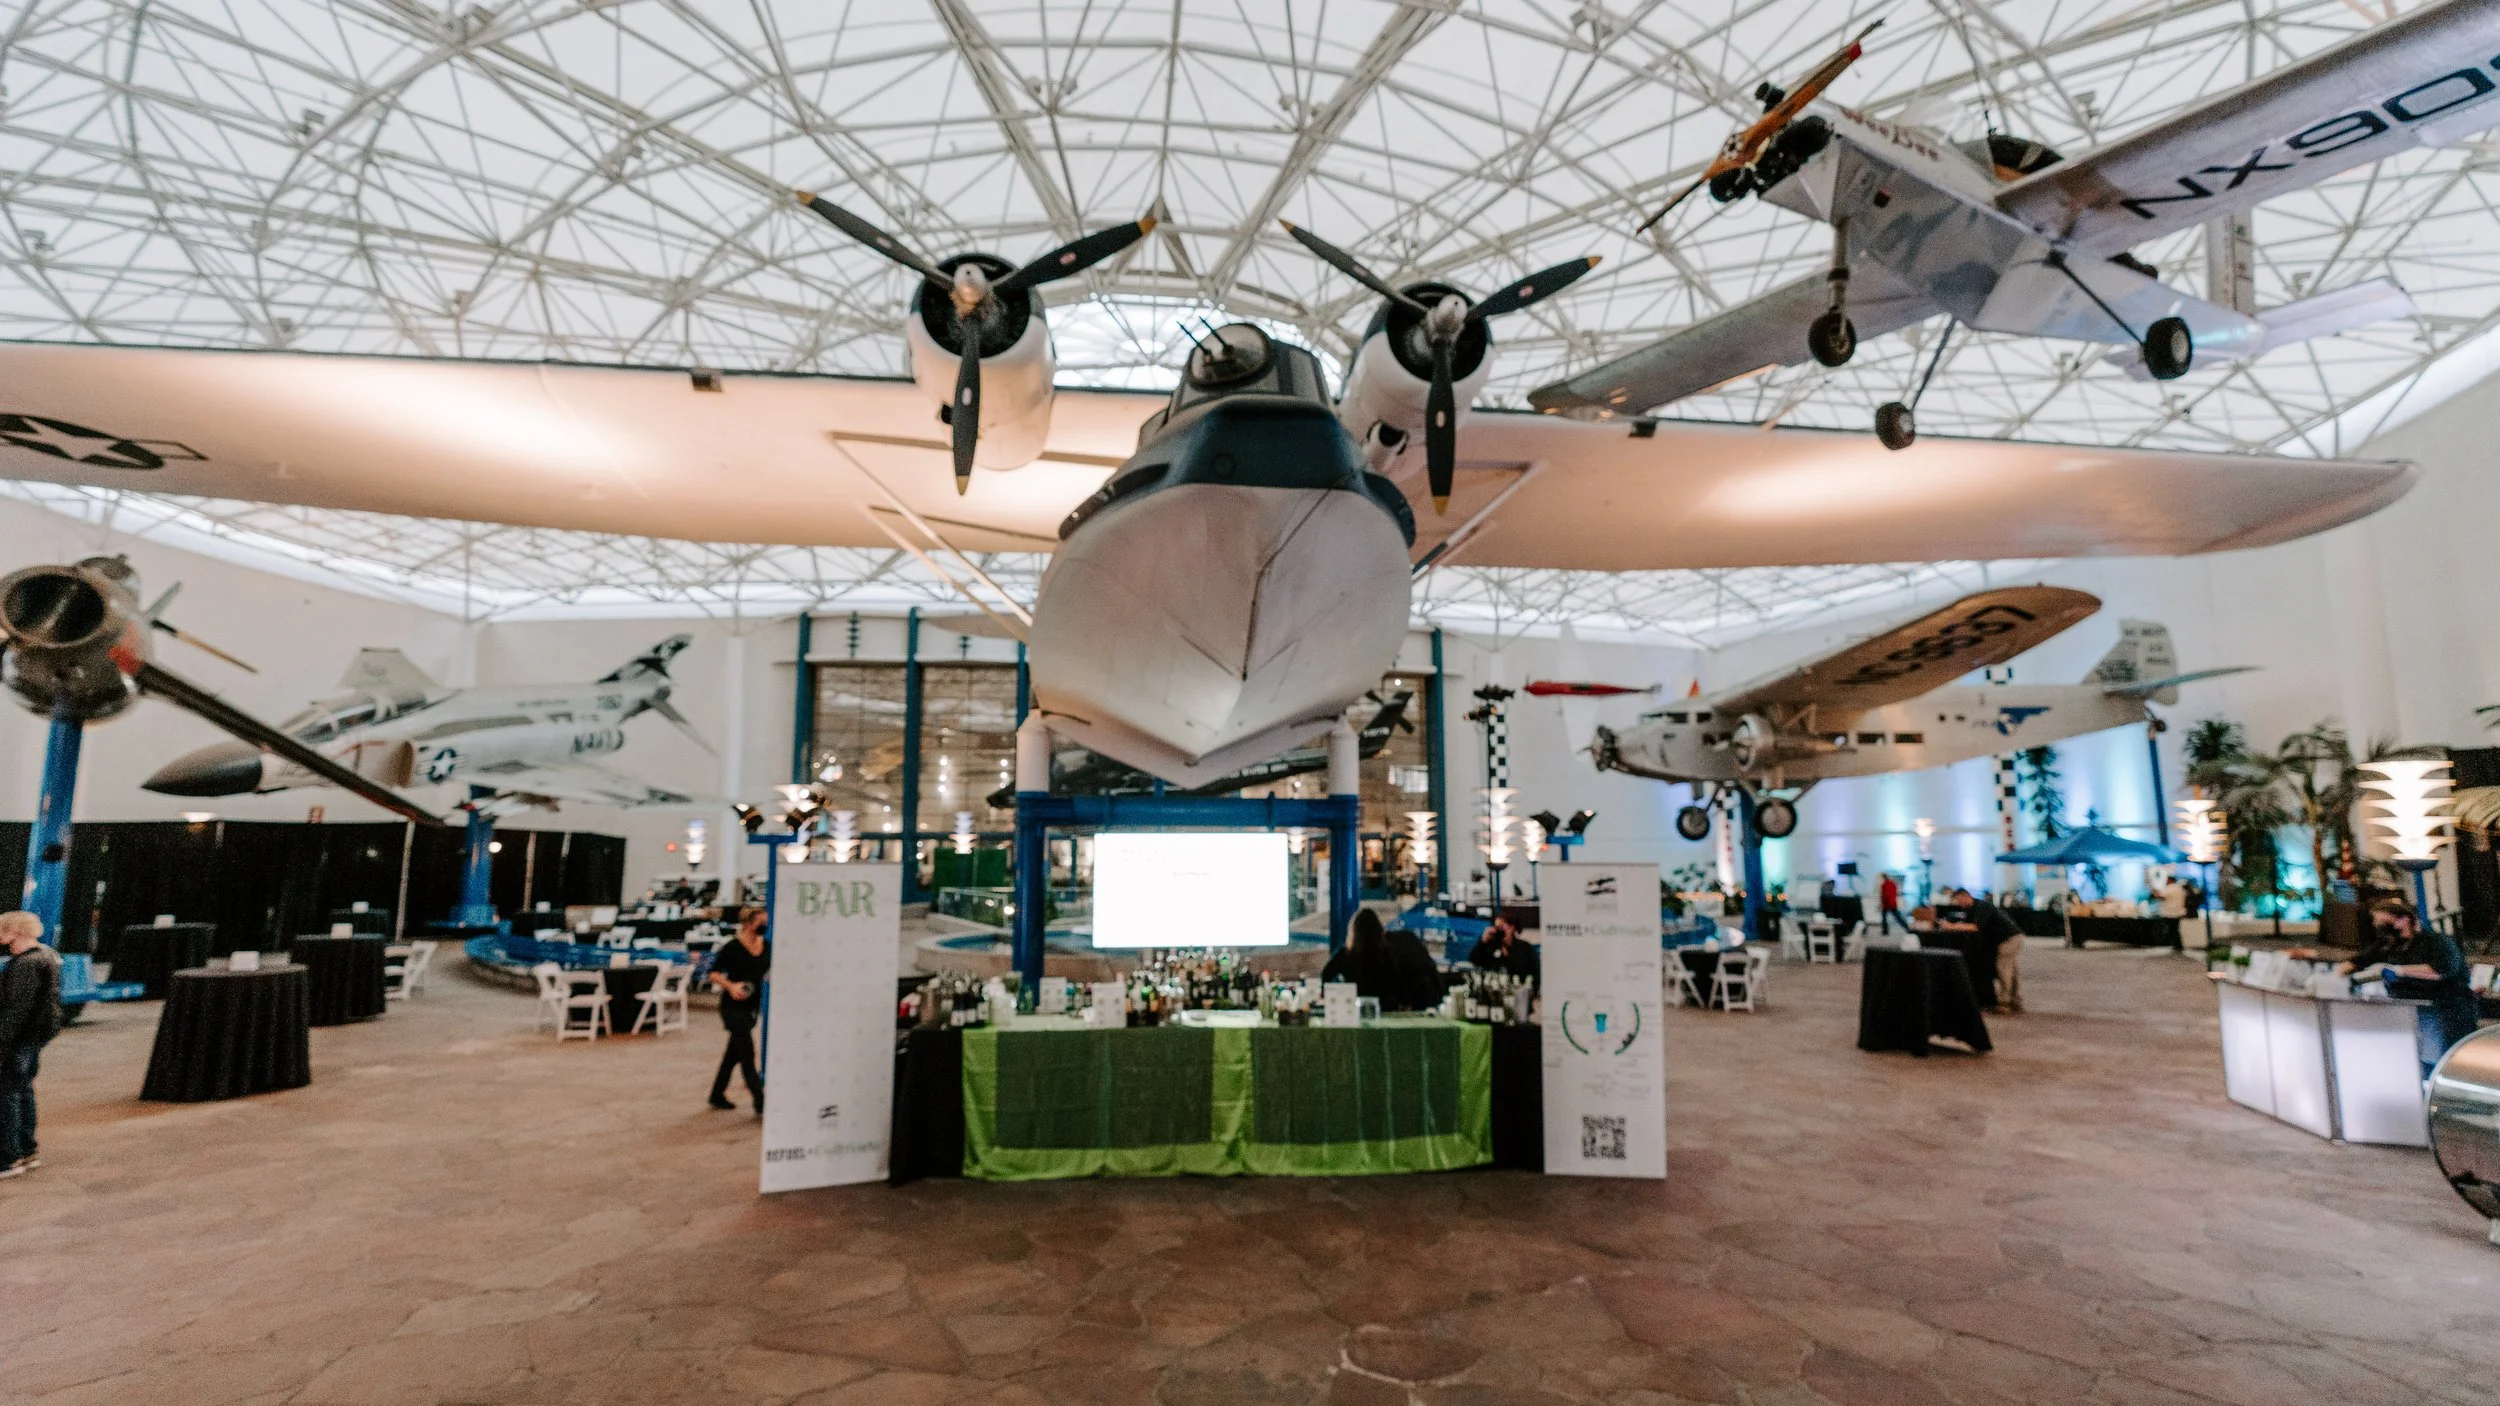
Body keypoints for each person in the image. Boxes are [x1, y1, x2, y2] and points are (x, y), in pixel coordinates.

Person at [2346, 897, 2478, 1056]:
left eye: (2384, 922)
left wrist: (2399, 971)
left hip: (2444, 1011)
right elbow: (2358, 961)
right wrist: (2333, 977)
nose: (2377, 926)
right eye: (2376, 922)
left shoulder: (2437, 942)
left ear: (2404, 920)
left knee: (2440, 1057)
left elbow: (2441, 970)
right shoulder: (2390, 944)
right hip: (2409, 1010)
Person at [0, 911, 61, 1179]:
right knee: (22, 1091)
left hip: (18, 1039)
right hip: (33, 1038)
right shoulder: (47, 956)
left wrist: (2, 1039)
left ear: (15, 932)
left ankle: (8, 1157)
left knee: (7, 1095)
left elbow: (16, 1009)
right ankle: (27, 1150)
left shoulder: (24, 965)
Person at [706, 908, 769, 1113]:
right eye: (761, 922)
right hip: (732, 1008)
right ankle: (760, 1100)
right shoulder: (732, 947)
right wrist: (731, 986)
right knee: (747, 1054)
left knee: (733, 1054)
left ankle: (717, 1094)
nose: (764, 926)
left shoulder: (766, 947)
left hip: (751, 1007)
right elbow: (713, 974)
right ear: (749, 923)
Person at [1322, 909, 1440, 1011]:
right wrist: (1404, 1002)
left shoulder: (1345, 954)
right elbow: (1396, 979)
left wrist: (1332, 995)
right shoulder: (1385, 953)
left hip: (1354, 1007)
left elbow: (1326, 973)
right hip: (1384, 1007)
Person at [1967, 893, 2023, 1013]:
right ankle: (2015, 1000)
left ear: (1965, 896)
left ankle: (2005, 1002)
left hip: (2008, 940)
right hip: (2014, 936)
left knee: (2004, 969)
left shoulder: (1981, 907)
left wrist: (1951, 926)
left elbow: (1975, 927)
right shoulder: (1981, 906)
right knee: (2011, 970)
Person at [1467, 915, 1541, 979]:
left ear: (1513, 927)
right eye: (1497, 928)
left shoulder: (1524, 947)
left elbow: (1533, 969)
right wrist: (1483, 941)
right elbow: (1474, 960)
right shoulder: (1490, 946)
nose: (1500, 931)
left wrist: (1507, 952)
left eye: (1503, 927)